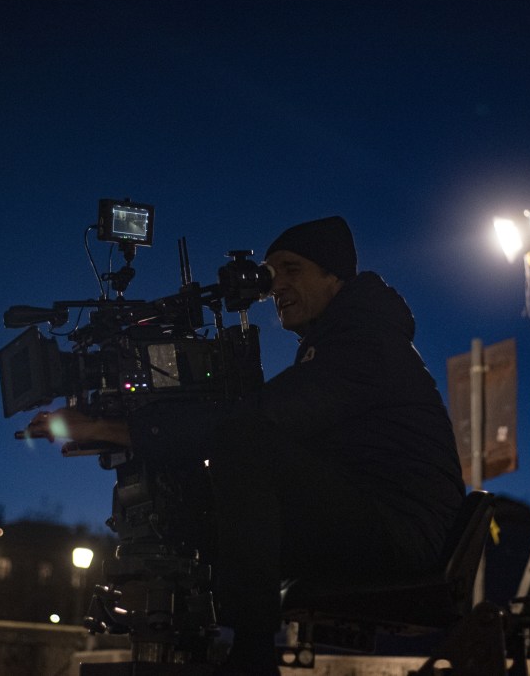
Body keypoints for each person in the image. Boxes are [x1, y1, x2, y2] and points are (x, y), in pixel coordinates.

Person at [29, 216, 465, 675]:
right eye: (271, 272)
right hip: (373, 520)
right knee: (202, 490)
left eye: (292, 269)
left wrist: (116, 429)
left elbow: (256, 422)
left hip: (400, 537)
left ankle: (253, 655)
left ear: (333, 276)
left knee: (242, 442)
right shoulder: (341, 339)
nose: (276, 284)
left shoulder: (364, 343)